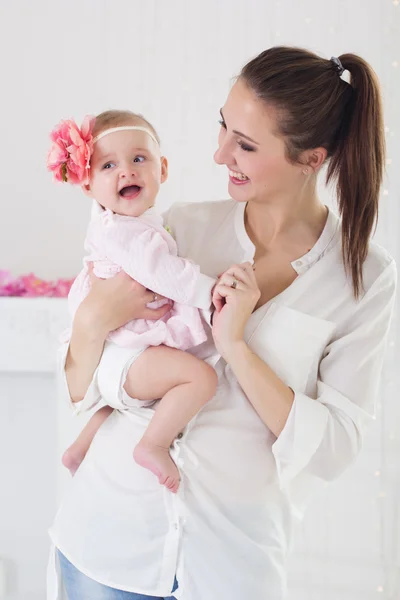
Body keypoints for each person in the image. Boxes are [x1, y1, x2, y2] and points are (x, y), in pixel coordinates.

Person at [48, 47, 397, 600]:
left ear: (311, 158)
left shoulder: (364, 278)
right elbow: (77, 381)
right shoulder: (178, 229)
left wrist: (235, 346)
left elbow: (333, 447)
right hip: (109, 544)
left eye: (246, 145)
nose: (219, 154)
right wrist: (92, 321)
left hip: (232, 566)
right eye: (223, 128)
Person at [47, 110, 218, 492]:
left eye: (139, 159)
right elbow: (163, 272)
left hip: (120, 345)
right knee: (199, 377)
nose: (127, 171)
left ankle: (79, 448)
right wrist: (211, 291)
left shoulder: (135, 224)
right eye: (109, 165)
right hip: (122, 347)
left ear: (163, 168)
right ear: (88, 184)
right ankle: (153, 445)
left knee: (137, 397)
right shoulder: (123, 231)